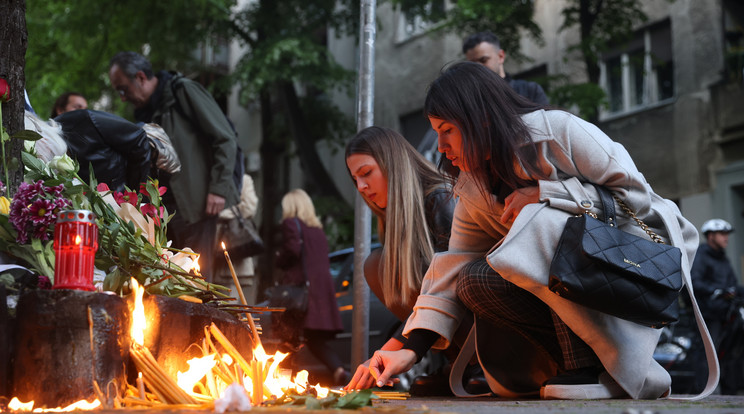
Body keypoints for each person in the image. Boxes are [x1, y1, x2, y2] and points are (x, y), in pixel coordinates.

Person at [363, 62, 699, 400]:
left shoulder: (558, 130)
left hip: (636, 262)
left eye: (447, 129)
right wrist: (411, 349)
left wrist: (547, 194)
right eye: (437, 132)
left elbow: (636, 196)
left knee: (537, 220)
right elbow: (454, 264)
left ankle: (602, 368)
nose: (440, 146)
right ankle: (578, 367)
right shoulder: (472, 186)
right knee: (473, 279)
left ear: (480, 118)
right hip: (583, 279)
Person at [344, 126, 467, 394]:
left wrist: (388, 352)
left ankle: (473, 365)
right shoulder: (395, 217)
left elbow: (450, 286)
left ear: (393, 163)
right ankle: (454, 361)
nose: (362, 187)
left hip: (482, 320)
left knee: (379, 265)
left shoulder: (441, 198)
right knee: (378, 265)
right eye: (355, 180)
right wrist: (381, 356)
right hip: (440, 318)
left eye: (366, 173)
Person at [108, 51, 240, 282]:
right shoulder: (145, 111)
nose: (122, 98)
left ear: (140, 77)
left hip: (195, 208)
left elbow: (225, 138)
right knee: (170, 282)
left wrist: (218, 189)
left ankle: (202, 320)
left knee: (196, 280)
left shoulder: (183, 91)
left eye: (123, 89)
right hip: (165, 214)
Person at [274, 189, 346, 385]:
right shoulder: (317, 230)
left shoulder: (291, 224)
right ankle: (339, 370)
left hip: (298, 292)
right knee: (315, 340)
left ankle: (284, 381)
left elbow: (292, 250)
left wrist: (278, 258)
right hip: (319, 291)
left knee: (288, 338)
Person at [690, 218, 743, 394]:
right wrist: (717, 290)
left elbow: (733, 284)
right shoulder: (701, 255)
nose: (726, 238)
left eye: (727, 234)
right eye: (722, 234)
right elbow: (695, 282)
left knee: (729, 352)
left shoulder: (723, 259)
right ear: (711, 236)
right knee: (707, 353)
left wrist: (734, 291)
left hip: (727, 313)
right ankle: (705, 392)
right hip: (708, 314)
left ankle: (730, 391)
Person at [463, 31, 549, 105]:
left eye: (483, 60)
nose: (478, 67)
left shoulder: (529, 90)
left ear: (501, 56)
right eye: (473, 64)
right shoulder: (469, 99)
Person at [214, 174, 260, 304]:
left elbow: (249, 208)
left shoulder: (243, 179)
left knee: (229, 304)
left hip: (232, 245)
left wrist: (219, 212)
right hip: (207, 244)